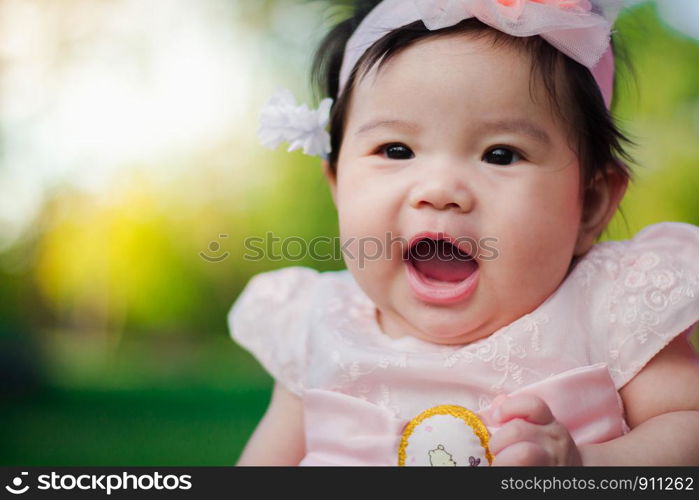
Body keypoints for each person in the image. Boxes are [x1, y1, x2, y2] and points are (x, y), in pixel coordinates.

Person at [229, 0, 699, 466]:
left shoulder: (608, 307)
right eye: (396, 149)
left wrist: (585, 468)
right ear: (337, 184)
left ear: (590, 205)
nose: (439, 191)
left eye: (500, 155)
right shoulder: (317, 324)